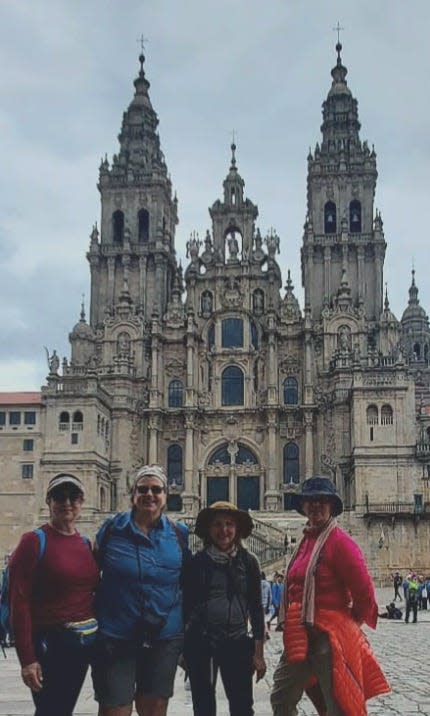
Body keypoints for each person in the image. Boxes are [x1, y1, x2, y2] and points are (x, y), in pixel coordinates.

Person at [270, 476, 390, 716]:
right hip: (299, 632)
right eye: (310, 501)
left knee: (338, 705)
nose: (315, 506)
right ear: (303, 506)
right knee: (281, 697)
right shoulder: (304, 541)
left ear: (332, 506)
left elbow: (364, 593)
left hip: (328, 637)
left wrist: (345, 623)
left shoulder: (341, 543)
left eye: (322, 501)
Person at [93, 464, 189, 716]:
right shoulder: (112, 530)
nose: (150, 495)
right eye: (143, 489)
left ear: (166, 495)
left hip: (164, 636)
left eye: (156, 489)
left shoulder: (179, 534)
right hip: (117, 635)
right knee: (115, 707)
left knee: (155, 708)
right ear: (132, 494)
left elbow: (186, 583)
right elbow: (91, 573)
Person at [8, 474, 99, 716]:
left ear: (82, 501)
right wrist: (27, 659)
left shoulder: (87, 544)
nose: (67, 502)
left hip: (81, 645)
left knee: (61, 709)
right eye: (59, 496)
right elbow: (18, 602)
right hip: (49, 644)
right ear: (48, 501)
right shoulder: (33, 542)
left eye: (73, 496)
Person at [183, 501, 266, 716]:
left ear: (237, 528)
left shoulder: (249, 563)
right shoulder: (196, 563)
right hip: (202, 643)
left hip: (238, 642)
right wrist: (183, 650)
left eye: (229, 524)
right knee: (203, 707)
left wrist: (259, 654)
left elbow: (257, 610)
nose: (224, 530)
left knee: (242, 707)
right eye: (217, 524)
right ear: (208, 530)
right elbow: (186, 607)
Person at [260, 571, 272, 640]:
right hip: (266, 604)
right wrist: (269, 605)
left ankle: (265, 632)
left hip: (259, 604)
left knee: (262, 620)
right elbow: (270, 596)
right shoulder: (268, 584)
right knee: (264, 619)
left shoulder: (257, 584)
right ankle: (266, 632)